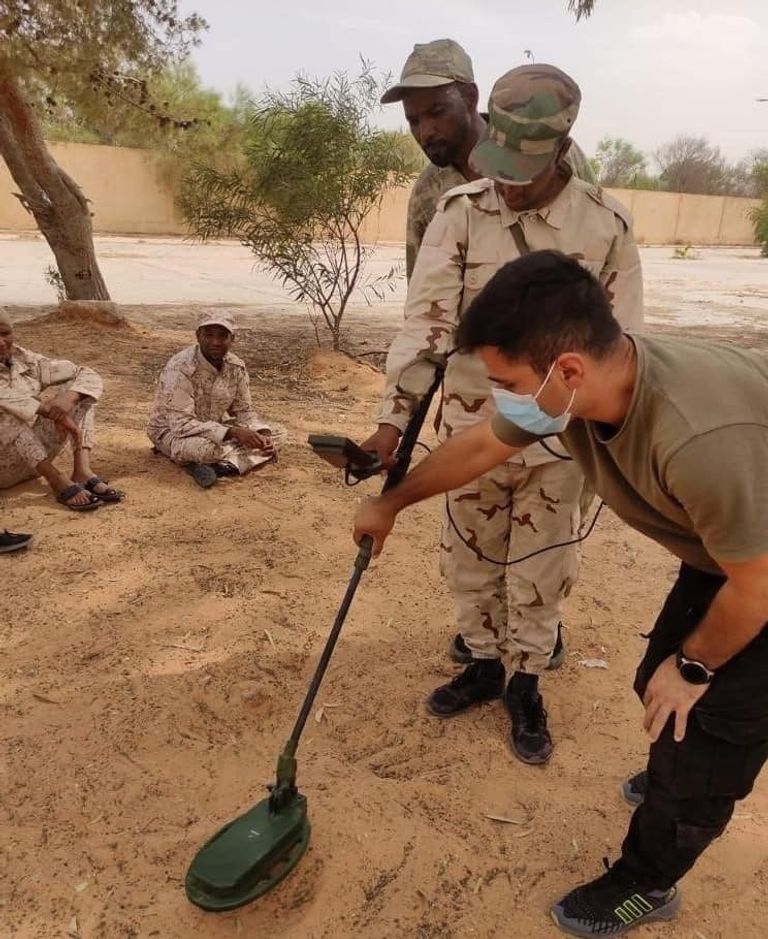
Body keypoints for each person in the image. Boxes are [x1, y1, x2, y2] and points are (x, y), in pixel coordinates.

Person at [353, 250, 768, 936]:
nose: (501, 395)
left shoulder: (696, 438)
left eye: (506, 381)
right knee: (656, 679)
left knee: (707, 723)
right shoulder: (580, 387)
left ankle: (649, 876)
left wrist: (697, 666)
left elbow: (755, 590)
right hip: (739, 545)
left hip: (758, 566)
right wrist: (391, 502)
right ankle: (682, 771)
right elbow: (485, 442)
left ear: (568, 368)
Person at [363, 62, 644, 765]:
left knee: (544, 565)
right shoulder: (461, 211)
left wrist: (615, 441)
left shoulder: (605, 226)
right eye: (501, 161)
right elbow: (424, 326)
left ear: (562, 145)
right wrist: (392, 422)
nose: (510, 180)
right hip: (467, 423)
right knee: (471, 556)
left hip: (560, 443)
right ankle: (484, 662)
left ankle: (524, 680)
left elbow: (621, 348)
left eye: (527, 164)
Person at [380, 38, 595, 279]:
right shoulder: (427, 195)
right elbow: (422, 302)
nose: (425, 132)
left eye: (437, 112)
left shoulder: (550, 153)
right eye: (414, 121)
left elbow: (597, 239)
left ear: (470, 97)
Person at [0, 311, 121, 511]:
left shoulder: (25, 360)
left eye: (5, 333)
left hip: (29, 460)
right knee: (6, 414)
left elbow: (85, 373)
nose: (1, 342)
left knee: (80, 394)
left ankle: (82, 470)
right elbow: (9, 399)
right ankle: (57, 480)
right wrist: (50, 411)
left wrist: (69, 398)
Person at [147, 311, 283, 488]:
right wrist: (233, 433)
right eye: (209, 335)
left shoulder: (236, 367)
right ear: (198, 336)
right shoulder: (180, 367)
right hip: (171, 432)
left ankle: (221, 467)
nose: (215, 342)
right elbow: (181, 424)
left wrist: (261, 435)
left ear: (232, 338)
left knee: (277, 433)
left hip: (213, 428)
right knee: (207, 449)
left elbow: (244, 411)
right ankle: (223, 461)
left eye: (222, 336)